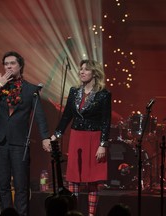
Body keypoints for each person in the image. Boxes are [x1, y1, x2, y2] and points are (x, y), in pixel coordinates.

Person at [0, 51, 51, 216]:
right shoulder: (0, 86)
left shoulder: (31, 89)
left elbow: (39, 116)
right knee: (3, 184)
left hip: (20, 142)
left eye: (12, 63)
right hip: (0, 141)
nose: (9, 66)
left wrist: (45, 137)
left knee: (21, 185)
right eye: (6, 64)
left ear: (20, 66)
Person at [50, 59, 111, 216]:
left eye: (86, 69)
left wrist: (103, 144)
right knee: (74, 178)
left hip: (94, 137)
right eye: (81, 69)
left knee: (92, 180)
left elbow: (106, 121)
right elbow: (67, 116)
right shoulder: (74, 91)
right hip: (77, 136)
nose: (82, 72)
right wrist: (56, 134)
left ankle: (91, 215)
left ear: (94, 73)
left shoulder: (103, 94)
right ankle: (73, 213)